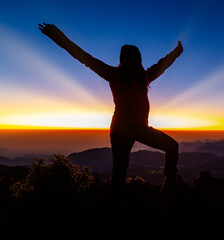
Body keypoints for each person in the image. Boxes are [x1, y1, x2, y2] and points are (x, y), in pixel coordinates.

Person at [38, 23, 183, 197]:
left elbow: (163, 65)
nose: (132, 62)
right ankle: (115, 207)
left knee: (172, 146)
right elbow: (84, 57)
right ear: (123, 60)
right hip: (121, 131)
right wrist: (58, 37)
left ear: (139, 60)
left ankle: (168, 183)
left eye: (135, 59)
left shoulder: (144, 78)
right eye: (128, 59)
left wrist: (177, 52)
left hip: (141, 128)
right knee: (119, 173)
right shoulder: (113, 75)